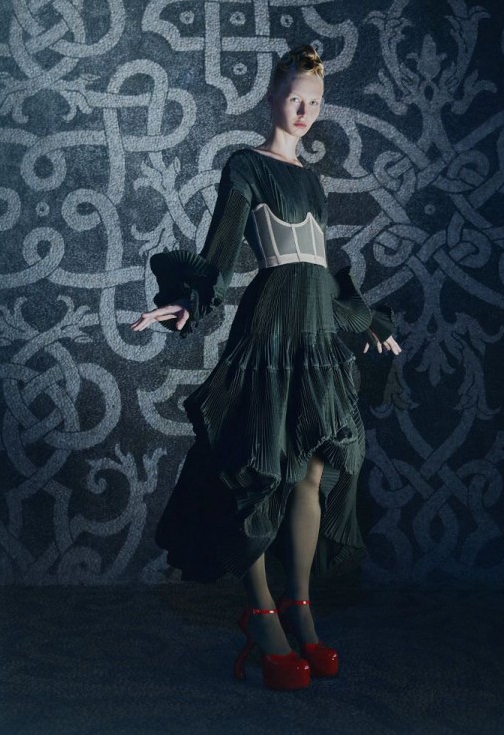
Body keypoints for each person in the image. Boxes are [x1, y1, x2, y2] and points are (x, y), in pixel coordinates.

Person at [131, 44, 401, 690]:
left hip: (316, 327)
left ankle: (300, 610)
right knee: (257, 471)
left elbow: (326, 269)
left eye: (315, 102)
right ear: (272, 97)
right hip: (271, 326)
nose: (305, 111)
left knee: (311, 469)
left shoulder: (312, 179)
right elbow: (221, 252)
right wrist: (185, 302)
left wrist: (368, 324)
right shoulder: (245, 164)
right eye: (294, 98)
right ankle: (261, 617)